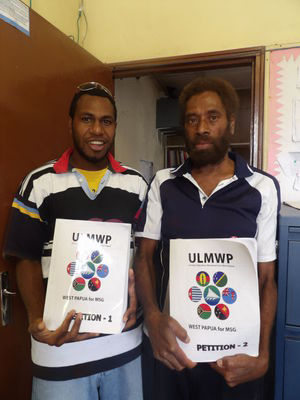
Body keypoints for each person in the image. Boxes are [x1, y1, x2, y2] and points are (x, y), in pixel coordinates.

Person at [134, 77, 280, 400]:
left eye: (212, 117)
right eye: (192, 119)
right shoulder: (163, 184)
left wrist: (263, 354)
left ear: (230, 122)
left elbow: (267, 278)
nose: (202, 127)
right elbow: (143, 257)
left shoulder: (261, 188)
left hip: (235, 357)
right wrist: (154, 319)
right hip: (175, 352)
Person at [4, 82, 147, 400]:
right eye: (87, 119)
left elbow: (146, 257)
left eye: (106, 121)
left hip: (123, 346)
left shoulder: (137, 185)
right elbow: (23, 256)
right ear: (70, 123)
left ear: (114, 127)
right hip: (60, 351)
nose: (97, 129)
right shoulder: (40, 183)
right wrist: (36, 319)